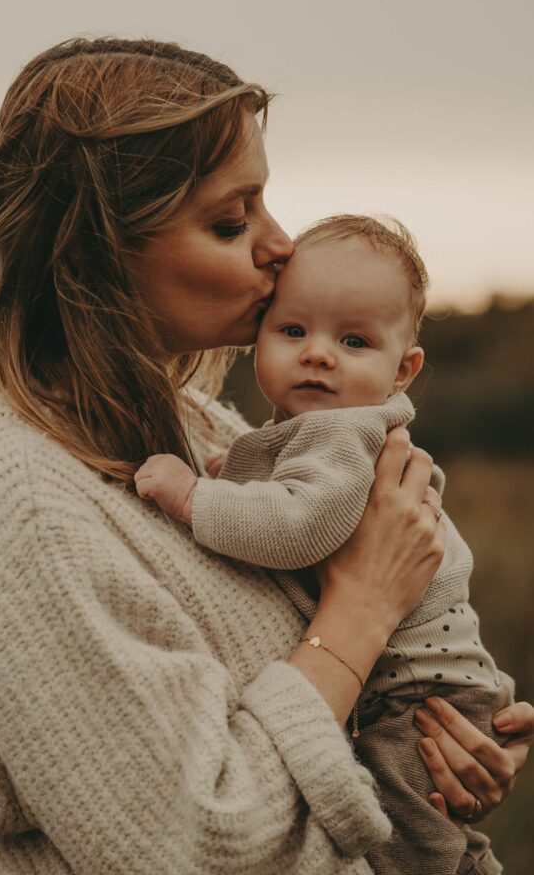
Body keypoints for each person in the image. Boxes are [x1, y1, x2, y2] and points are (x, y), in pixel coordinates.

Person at [0, 37, 533, 875]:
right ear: (97, 250)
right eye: (232, 220)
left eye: (266, 205)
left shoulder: (194, 428)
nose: (279, 244)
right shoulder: (20, 500)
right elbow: (197, 843)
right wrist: (366, 607)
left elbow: (314, 726)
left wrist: (432, 753)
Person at [134, 214, 515, 874]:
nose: (317, 353)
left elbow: (298, 526)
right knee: (426, 821)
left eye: (354, 340)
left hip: (415, 690)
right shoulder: (313, 432)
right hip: (428, 677)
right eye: (292, 331)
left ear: (404, 370)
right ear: (259, 339)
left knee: (405, 836)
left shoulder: (343, 433)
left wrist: (194, 497)